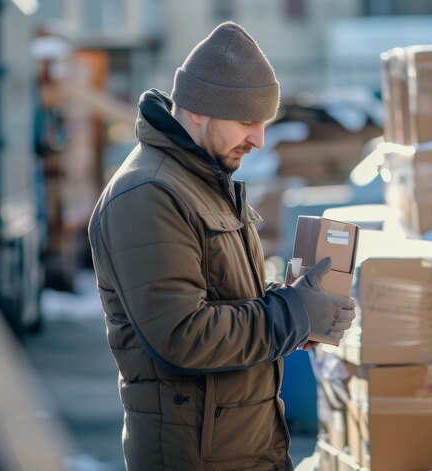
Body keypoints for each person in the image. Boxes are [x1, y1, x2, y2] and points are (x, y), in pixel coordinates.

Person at [88, 21, 355, 471]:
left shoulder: (202, 179)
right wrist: (293, 312)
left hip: (243, 448)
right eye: (247, 120)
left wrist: (299, 309)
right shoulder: (149, 193)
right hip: (198, 458)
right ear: (198, 110)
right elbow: (183, 336)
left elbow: (226, 300)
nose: (259, 139)